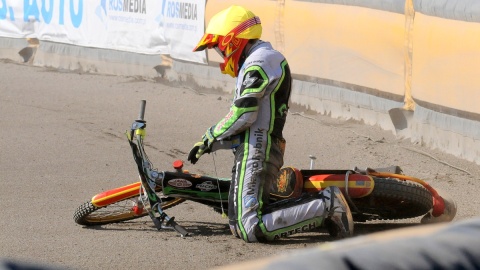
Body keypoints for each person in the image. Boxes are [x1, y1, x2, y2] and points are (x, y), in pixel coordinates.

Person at [187, 5, 354, 242]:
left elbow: (244, 113)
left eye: (219, 49)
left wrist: (210, 136)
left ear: (232, 41)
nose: (221, 57)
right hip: (256, 146)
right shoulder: (260, 60)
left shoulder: (262, 60)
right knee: (237, 225)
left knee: (250, 228)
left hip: (258, 149)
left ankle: (326, 205)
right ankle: (320, 206)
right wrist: (214, 143)